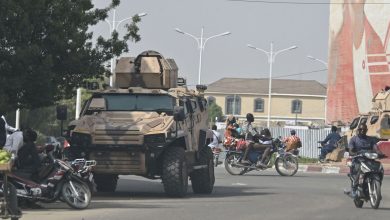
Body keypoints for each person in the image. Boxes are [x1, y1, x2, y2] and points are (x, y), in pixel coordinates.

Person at [346, 123, 384, 197]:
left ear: (366, 130)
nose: (362, 131)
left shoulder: (370, 139)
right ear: (358, 130)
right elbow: (350, 150)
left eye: (364, 129)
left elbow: (376, 148)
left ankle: (376, 187)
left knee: (379, 168)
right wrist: (353, 153)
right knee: (358, 169)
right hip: (358, 159)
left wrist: (380, 153)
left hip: (369, 159)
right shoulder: (354, 139)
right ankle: (354, 189)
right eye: (360, 129)